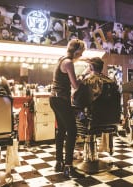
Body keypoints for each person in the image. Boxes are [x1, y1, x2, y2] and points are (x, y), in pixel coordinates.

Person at [49, 39, 85, 179]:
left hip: (54, 99)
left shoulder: (61, 60)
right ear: (76, 51)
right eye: (80, 53)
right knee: (72, 131)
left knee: (61, 130)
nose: (80, 56)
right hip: (61, 100)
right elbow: (75, 85)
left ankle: (59, 162)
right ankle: (69, 167)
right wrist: (82, 79)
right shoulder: (68, 63)